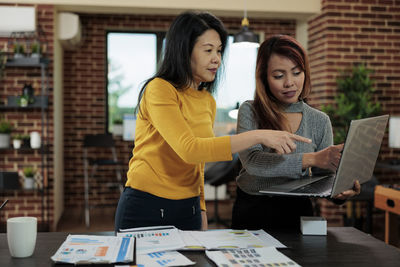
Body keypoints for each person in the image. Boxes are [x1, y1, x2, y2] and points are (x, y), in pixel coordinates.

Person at [114, 13, 311, 232]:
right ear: (184, 50)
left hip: (187, 209)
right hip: (146, 205)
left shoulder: (207, 100)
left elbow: (198, 164)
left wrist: (201, 209)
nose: (216, 58)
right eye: (208, 50)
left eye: (218, 50)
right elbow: (190, 150)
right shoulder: (160, 89)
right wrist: (259, 135)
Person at [231, 35, 361, 231]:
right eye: (278, 76)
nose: (289, 83)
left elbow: (324, 175)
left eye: (296, 72)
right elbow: (254, 163)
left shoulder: (320, 120)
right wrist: (311, 158)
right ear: (264, 78)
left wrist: (339, 192)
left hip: (297, 210)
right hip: (253, 210)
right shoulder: (250, 111)